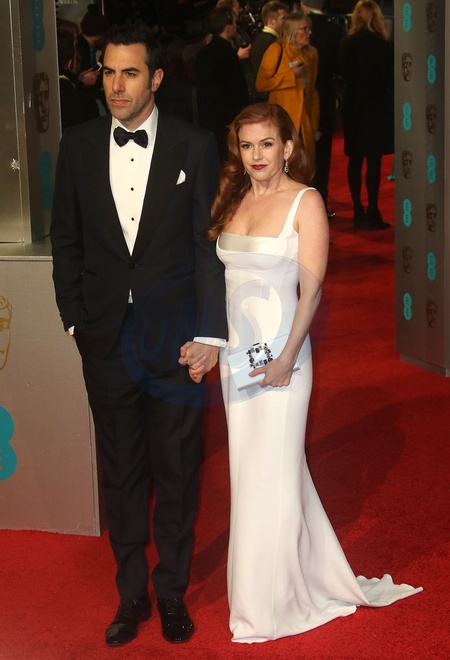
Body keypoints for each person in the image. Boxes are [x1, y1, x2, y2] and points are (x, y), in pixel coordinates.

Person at [200, 102, 421, 642]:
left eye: (266, 144)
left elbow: (312, 290)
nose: (256, 155)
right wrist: (210, 344)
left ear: (288, 146)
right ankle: (281, 583)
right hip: (237, 362)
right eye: (246, 145)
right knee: (251, 472)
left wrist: (286, 358)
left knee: (271, 477)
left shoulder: (306, 201)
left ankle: (270, 607)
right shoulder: (233, 197)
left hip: (283, 358)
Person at [50, 21, 227, 647]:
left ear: (156, 78)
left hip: (176, 339)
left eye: (130, 73)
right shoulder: (77, 145)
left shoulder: (194, 145)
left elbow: (208, 248)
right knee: (121, 470)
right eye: (108, 71)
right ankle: (131, 594)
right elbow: (65, 239)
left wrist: (210, 333)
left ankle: (172, 590)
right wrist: (75, 317)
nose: (115, 85)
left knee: (177, 467)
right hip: (105, 338)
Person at [339, 0, 394, 230]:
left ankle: (357, 209)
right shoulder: (381, 45)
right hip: (375, 109)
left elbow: (340, 74)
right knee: (373, 161)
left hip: (354, 108)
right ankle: (373, 210)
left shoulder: (346, 43)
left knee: (355, 160)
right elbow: (389, 79)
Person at [255, 11, 319, 161]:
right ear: (292, 31)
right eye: (304, 29)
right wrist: (291, 75)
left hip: (305, 125)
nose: (309, 32)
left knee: (304, 166)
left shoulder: (311, 54)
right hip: (282, 122)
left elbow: (313, 92)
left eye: (309, 28)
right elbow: (261, 84)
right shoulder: (276, 50)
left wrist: (314, 124)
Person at [301, 1, 344, 217]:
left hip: (305, 101)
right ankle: (321, 205)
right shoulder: (334, 29)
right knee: (322, 157)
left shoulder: (297, 27)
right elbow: (339, 66)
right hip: (323, 98)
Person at [195, 7, 249, 158]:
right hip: (227, 120)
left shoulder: (203, 53)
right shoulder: (225, 52)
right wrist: (232, 117)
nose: (236, 27)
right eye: (234, 23)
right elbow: (234, 88)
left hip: (209, 118)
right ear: (228, 26)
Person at [249, 1, 288, 101]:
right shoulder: (270, 43)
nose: (287, 22)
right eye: (283, 18)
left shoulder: (261, 38)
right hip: (268, 97)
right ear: (271, 21)